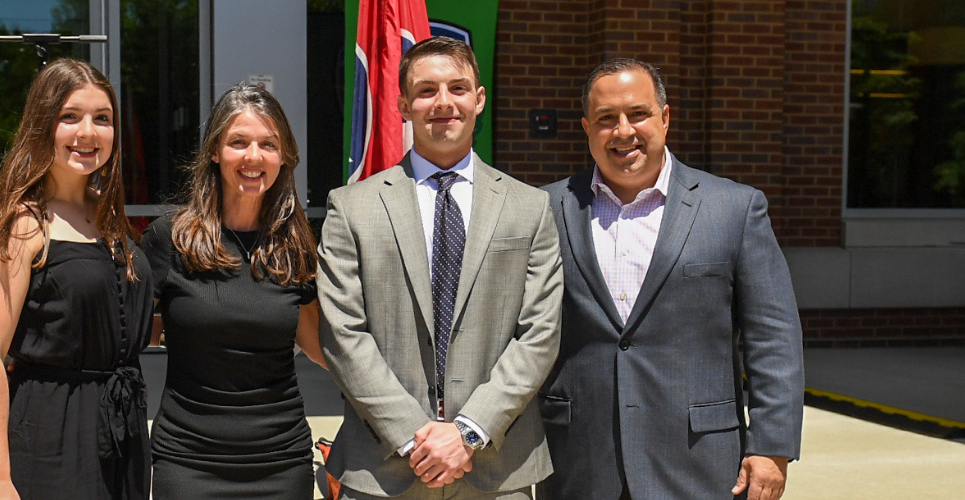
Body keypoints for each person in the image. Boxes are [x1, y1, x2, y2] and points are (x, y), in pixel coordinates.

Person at [536, 57, 805, 500]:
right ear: (587, 128)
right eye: (606, 119)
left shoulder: (734, 209)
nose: (623, 131)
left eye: (637, 114)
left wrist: (772, 446)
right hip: (579, 461)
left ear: (664, 117)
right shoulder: (546, 209)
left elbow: (773, 337)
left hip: (699, 461)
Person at [317, 36, 563, 500]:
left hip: (497, 469)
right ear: (403, 105)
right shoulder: (352, 208)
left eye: (457, 87)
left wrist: (468, 432)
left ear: (479, 99)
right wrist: (414, 436)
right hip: (383, 470)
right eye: (427, 91)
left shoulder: (529, 208)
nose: (444, 103)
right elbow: (342, 334)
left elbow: (540, 334)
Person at [0, 58, 153, 500]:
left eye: (102, 119)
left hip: (122, 431)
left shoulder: (107, 214)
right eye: (70, 117)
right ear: (42, 125)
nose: (88, 132)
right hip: (51, 435)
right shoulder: (16, 224)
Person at [139, 83, 326, 499]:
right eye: (238, 142)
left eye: (268, 144)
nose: (253, 157)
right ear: (214, 151)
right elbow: (127, 332)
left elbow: (320, 347)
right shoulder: (170, 239)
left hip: (281, 462)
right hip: (187, 461)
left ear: (284, 156)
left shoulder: (295, 245)